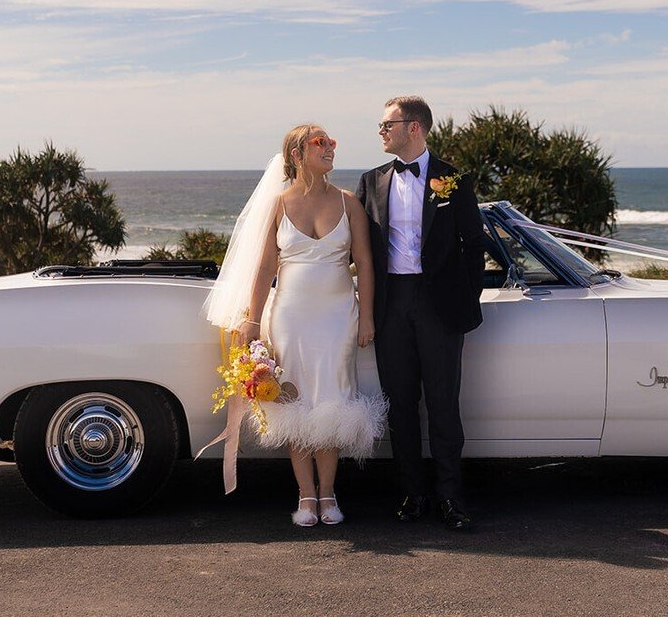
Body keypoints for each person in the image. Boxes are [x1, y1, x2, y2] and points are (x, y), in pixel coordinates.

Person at [206, 124, 386, 526]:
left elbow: (366, 264)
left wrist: (368, 317)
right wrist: (252, 320)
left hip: (340, 317)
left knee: (333, 402)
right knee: (294, 403)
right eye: (321, 142)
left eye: (332, 141)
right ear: (297, 154)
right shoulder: (279, 204)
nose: (331, 148)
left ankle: (329, 493)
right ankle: (306, 495)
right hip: (290, 317)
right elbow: (266, 266)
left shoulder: (348, 203)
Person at [355, 95, 486, 531]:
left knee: (445, 405)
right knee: (401, 406)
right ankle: (411, 495)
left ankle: (451, 498)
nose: (381, 131)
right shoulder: (370, 181)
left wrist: (466, 301)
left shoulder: (454, 179)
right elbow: (357, 250)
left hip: (441, 306)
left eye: (386, 124)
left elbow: (474, 246)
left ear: (414, 127)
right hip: (391, 303)